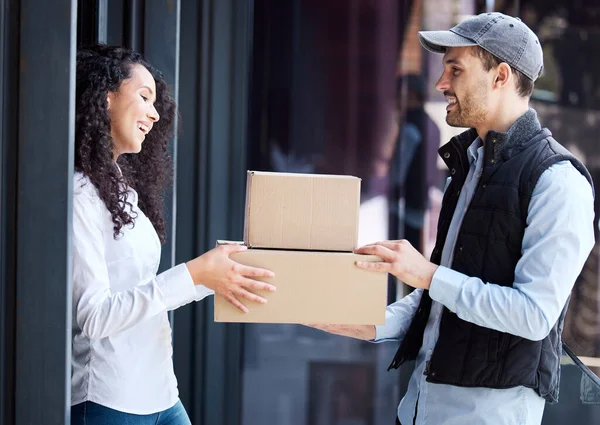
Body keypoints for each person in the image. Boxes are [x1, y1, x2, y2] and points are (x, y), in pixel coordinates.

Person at [308, 12, 595, 425]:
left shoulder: (558, 182)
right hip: (418, 411)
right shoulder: (471, 165)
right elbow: (444, 292)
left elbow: (532, 316)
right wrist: (366, 323)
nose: (441, 83)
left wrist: (424, 273)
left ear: (500, 76)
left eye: (455, 69)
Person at [70, 45, 275, 425]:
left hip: (161, 393)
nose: (155, 112)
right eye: (144, 97)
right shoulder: (79, 192)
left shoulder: (119, 188)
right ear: (105, 97)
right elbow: (94, 317)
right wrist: (195, 274)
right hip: (110, 400)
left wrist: (215, 275)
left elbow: (147, 290)